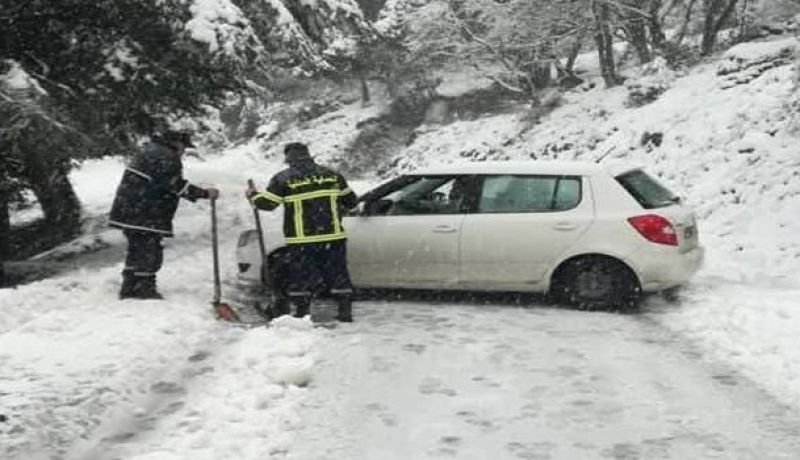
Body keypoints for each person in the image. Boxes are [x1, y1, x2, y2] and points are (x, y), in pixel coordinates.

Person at [246, 142, 358, 322]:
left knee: (301, 275)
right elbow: (351, 202)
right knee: (338, 274)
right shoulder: (332, 175)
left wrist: (253, 195)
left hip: (302, 238)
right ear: (308, 156)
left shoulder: (283, 178)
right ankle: (345, 312)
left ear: (288, 159)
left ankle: (301, 313)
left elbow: (267, 204)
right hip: (333, 236)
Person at [109, 130, 219, 299]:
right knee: (149, 250)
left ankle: (129, 286)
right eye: (184, 148)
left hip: (129, 209)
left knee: (136, 248)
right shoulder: (166, 157)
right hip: (146, 212)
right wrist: (204, 193)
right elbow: (174, 185)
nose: (183, 152)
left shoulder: (151, 151)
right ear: (176, 143)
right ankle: (144, 288)